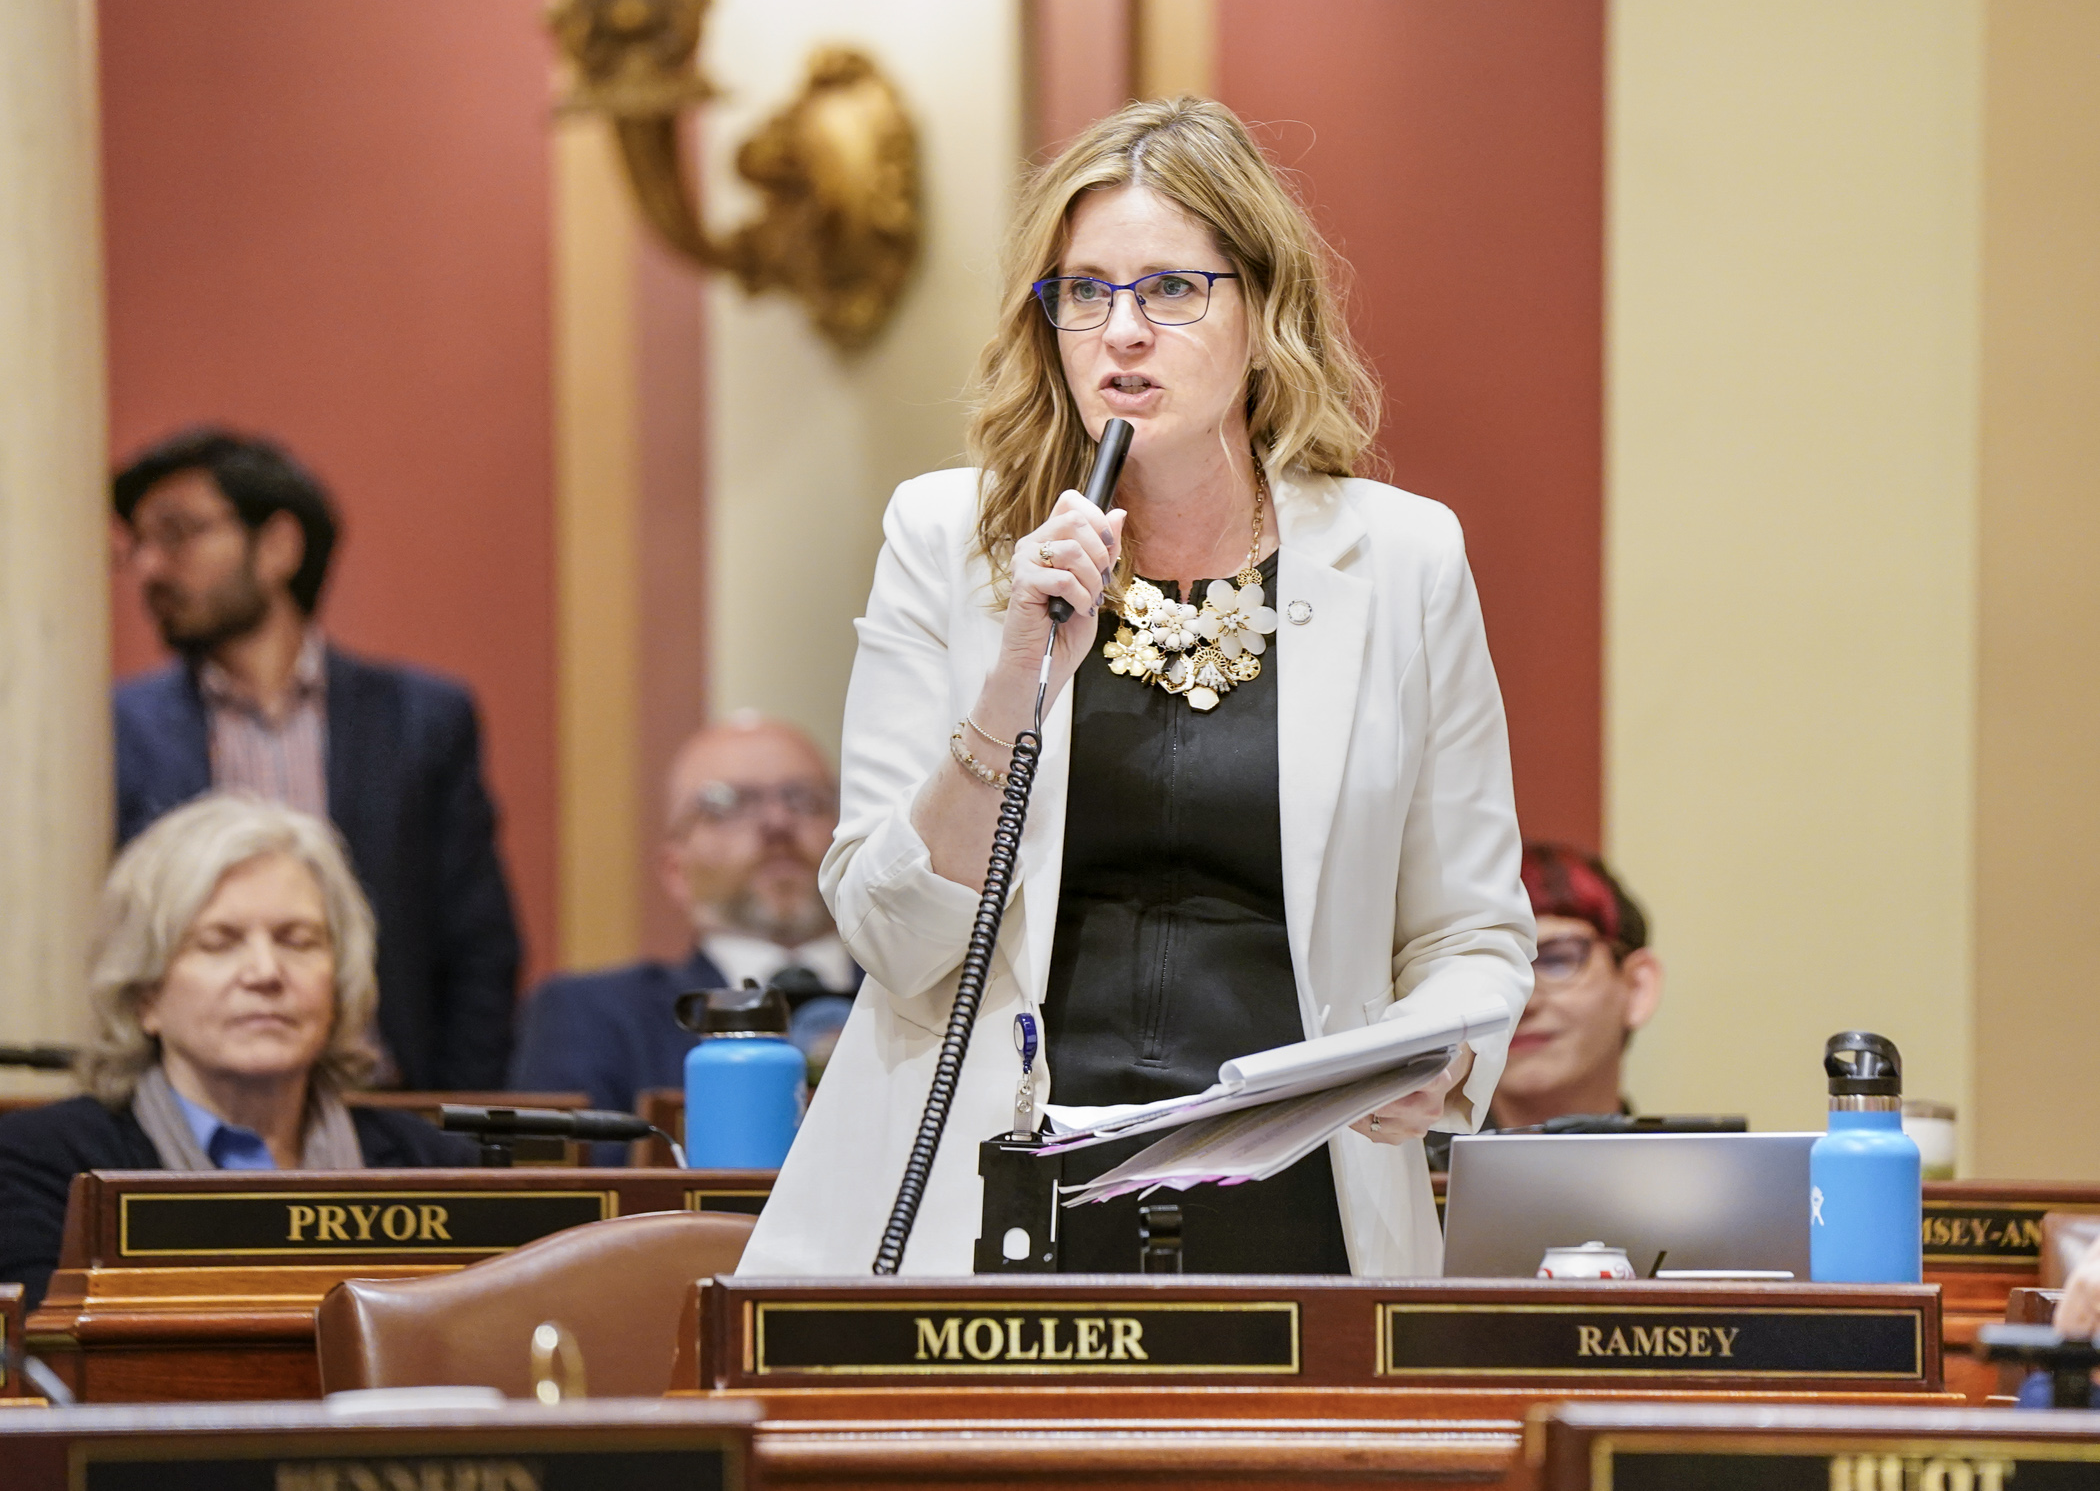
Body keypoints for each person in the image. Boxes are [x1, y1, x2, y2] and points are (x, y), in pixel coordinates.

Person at [741, 97, 1534, 1277]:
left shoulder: (1406, 561)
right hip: (992, 1191)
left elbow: (1470, 929)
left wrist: (1441, 1060)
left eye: (1172, 290)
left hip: (1302, 1198)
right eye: (1085, 292)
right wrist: (1012, 687)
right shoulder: (950, 538)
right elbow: (893, 940)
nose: (1122, 332)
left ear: (1263, 312)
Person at [110, 427, 521, 1090]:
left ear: (277, 546)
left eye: (179, 534)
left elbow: (476, 945)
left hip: (387, 1107)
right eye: (139, 546)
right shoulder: (116, 730)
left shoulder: (421, 720)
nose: (151, 567)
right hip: (184, 1113)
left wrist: (452, 1128)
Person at [0, 794, 472, 1309]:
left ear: (338, 984)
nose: (265, 973)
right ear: (146, 995)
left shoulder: (434, 1167)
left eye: (298, 940)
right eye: (219, 942)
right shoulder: (43, 1168)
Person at [508, 714, 858, 1162]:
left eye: (805, 799)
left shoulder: (929, 997)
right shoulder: (592, 1017)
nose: (777, 821)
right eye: (727, 803)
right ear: (675, 871)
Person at [1425, 843, 1663, 1170]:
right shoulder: (1405, 1188)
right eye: (1494, 972)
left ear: (1637, 987)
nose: (1524, 1002)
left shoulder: (1700, 1190)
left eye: (1557, 960)